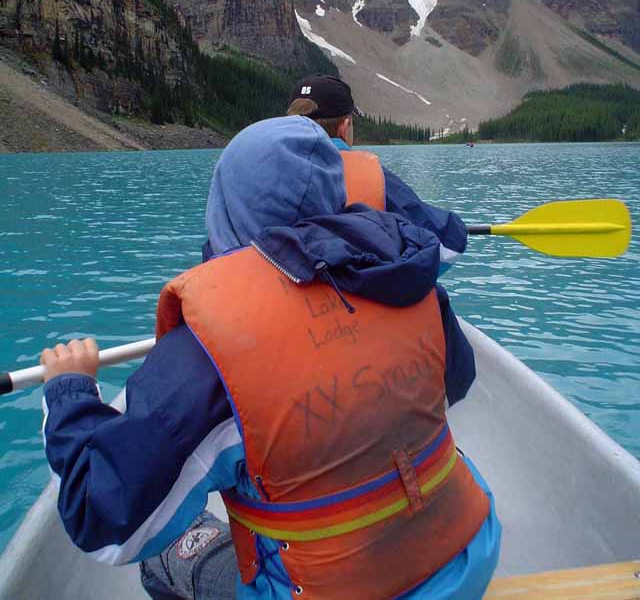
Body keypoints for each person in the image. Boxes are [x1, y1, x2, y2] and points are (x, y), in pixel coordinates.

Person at [40, 116, 500, 599]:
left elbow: (103, 522)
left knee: (161, 558)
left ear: (225, 209)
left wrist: (69, 393)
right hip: (466, 561)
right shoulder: (409, 278)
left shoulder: (208, 355)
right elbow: (458, 379)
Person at [285, 74, 467, 275]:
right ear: (345, 128)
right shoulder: (374, 177)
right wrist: (457, 228)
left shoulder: (263, 172)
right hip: (349, 297)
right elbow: (447, 245)